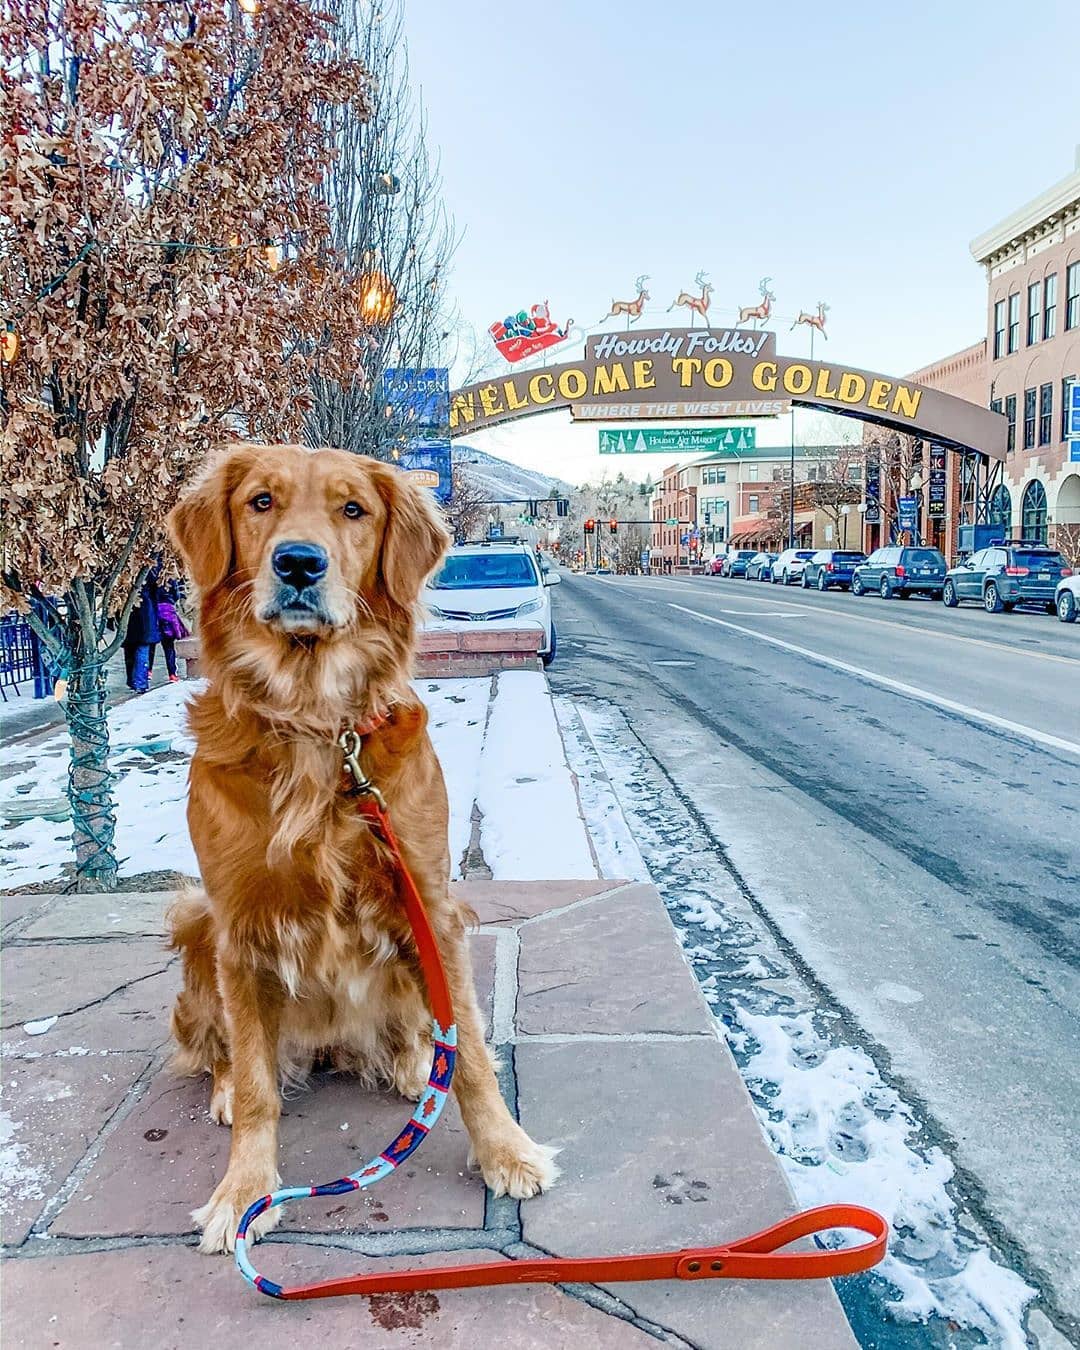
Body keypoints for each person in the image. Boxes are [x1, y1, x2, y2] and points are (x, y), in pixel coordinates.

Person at [123, 579, 160, 694]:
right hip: (145, 623)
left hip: (130, 621)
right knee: (142, 652)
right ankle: (140, 683)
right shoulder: (148, 591)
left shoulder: (127, 587)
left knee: (131, 652)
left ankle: (133, 681)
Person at [155, 580, 189, 683]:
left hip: (155, 612)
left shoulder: (153, 576)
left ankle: (148, 671)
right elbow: (176, 595)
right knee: (169, 648)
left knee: (150, 647)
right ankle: (172, 674)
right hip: (168, 614)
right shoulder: (171, 578)